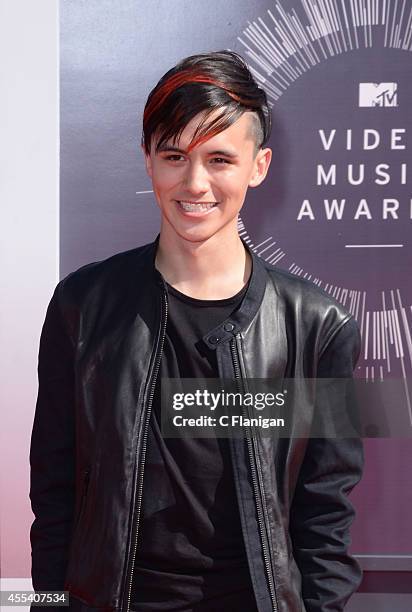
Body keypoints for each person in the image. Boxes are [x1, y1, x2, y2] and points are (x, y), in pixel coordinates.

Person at [30, 50, 363, 612]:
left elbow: (324, 509)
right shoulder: (82, 307)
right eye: (175, 155)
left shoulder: (316, 325)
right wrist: (51, 604)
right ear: (148, 161)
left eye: (220, 159)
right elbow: (56, 488)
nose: (195, 182)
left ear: (259, 166)